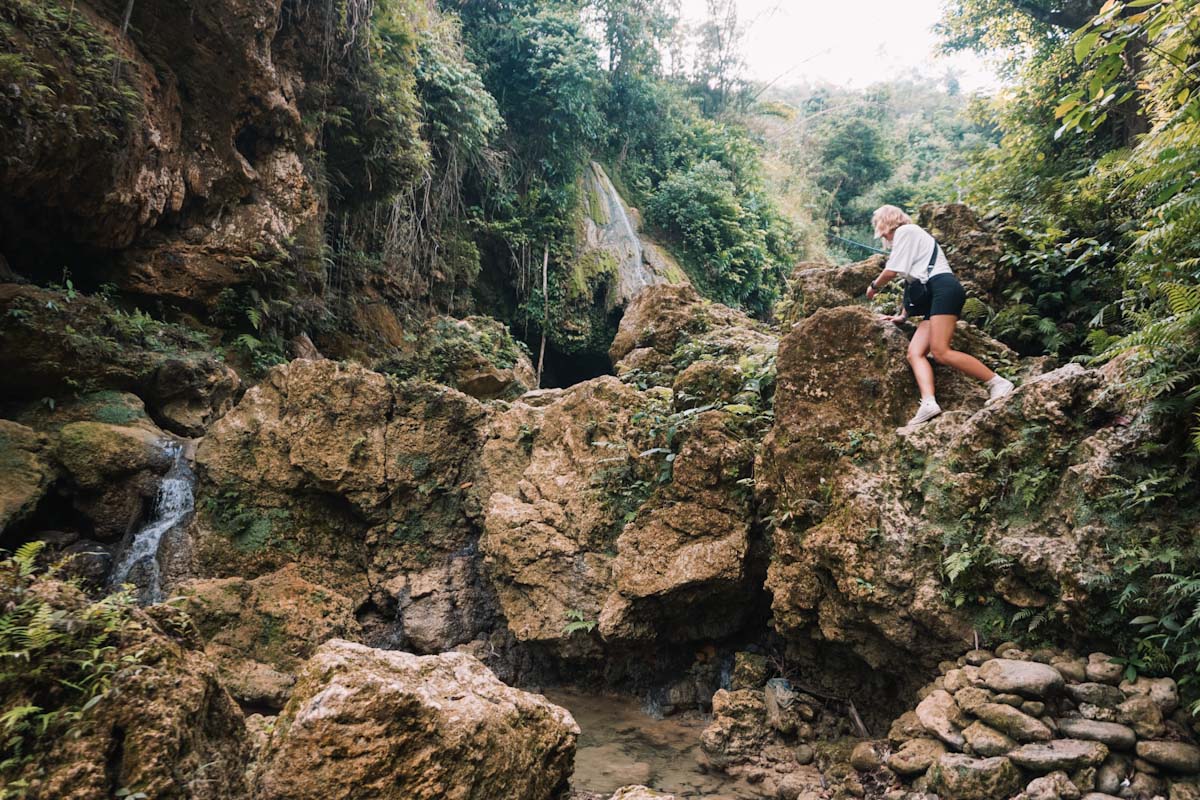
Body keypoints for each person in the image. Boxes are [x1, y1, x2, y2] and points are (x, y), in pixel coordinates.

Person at [865, 205, 1014, 426]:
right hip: (934, 293)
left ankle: (997, 382)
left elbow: (892, 271)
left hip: (944, 288)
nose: (883, 235)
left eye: (881, 229)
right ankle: (928, 403)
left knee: (941, 351)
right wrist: (903, 316)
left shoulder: (907, 231)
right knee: (915, 352)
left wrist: (873, 286)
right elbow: (913, 282)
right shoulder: (908, 239)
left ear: (886, 223)